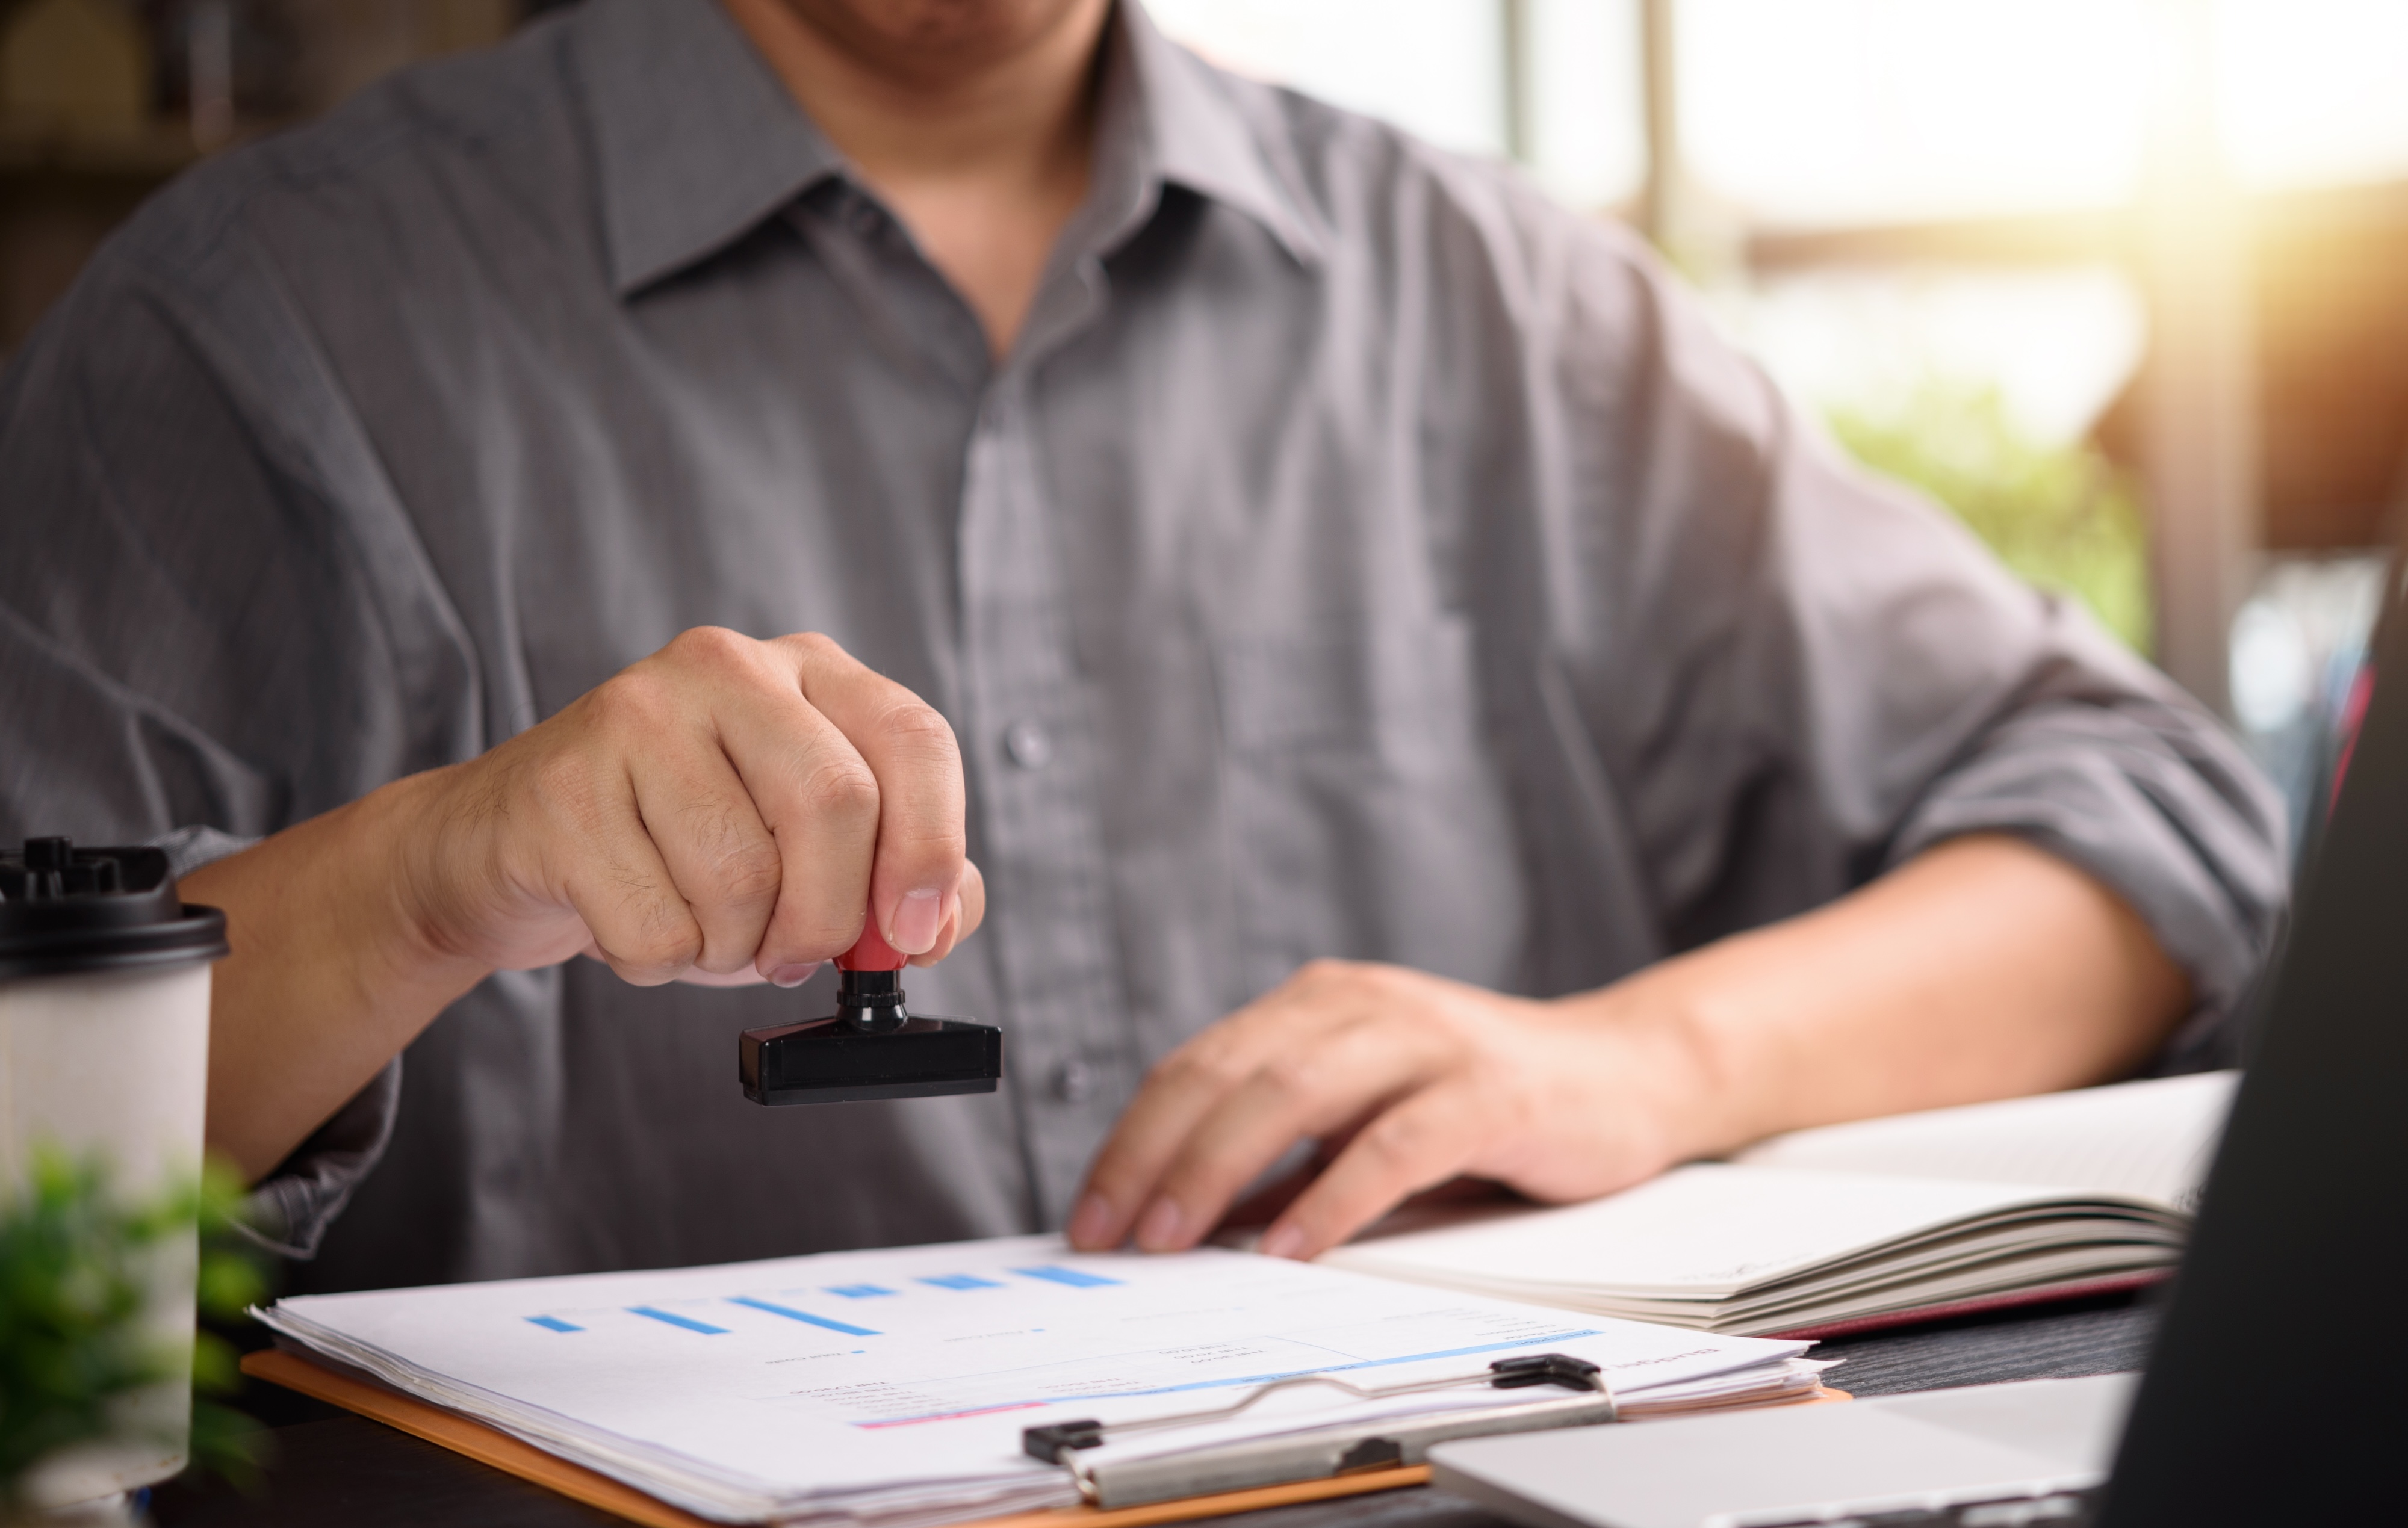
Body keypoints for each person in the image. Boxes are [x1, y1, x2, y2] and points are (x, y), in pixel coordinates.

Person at [0, 0, 2283, 1293]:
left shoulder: (1505, 305)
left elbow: (2158, 827)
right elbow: (21, 1174)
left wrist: (1656, 1062)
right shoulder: (252, 331)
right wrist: (426, 879)